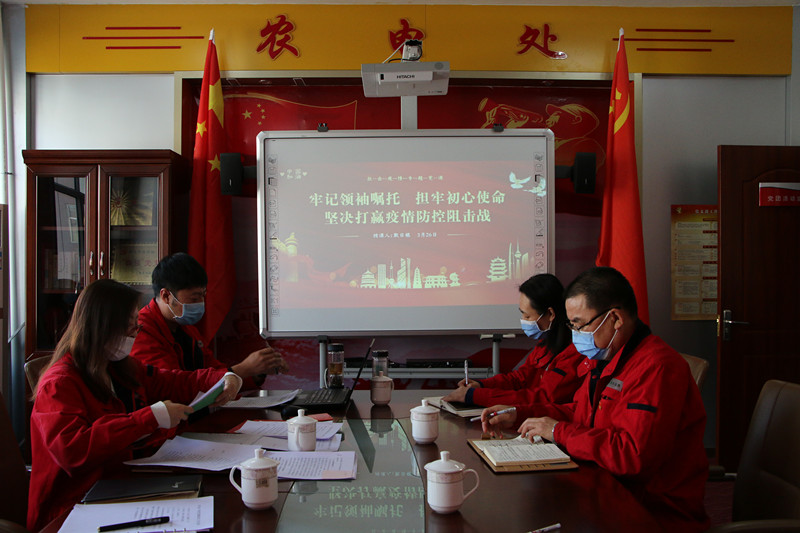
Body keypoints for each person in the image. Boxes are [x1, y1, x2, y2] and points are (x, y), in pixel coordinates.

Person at [481, 267, 709, 532]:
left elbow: (632, 455)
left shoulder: (657, 367)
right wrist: (519, 414)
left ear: (615, 318)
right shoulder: (607, 357)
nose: (575, 334)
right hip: (606, 492)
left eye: (580, 325)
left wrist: (557, 431)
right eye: (571, 325)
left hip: (649, 513)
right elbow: (581, 412)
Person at [27, 279, 242, 531]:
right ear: (102, 327)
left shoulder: (117, 367)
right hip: (71, 509)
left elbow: (172, 381)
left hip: (119, 486)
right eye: (129, 327)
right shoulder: (59, 383)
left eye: (136, 326)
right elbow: (72, 451)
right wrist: (149, 417)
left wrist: (224, 376)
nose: (135, 334)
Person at [130, 253, 289, 388]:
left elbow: (213, 370)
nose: (201, 303)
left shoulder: (186, 328)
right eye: (194, 298)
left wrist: (256, 371)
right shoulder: (141, 331)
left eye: (203, 296)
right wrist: (242, 370)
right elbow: (173, 386)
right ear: (166, 296)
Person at [442, 273, 583, 407]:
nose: (523, 321)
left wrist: (475, 396)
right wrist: (481, 385)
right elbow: (520, 379)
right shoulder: (545, 344)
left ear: (550, 314)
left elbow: (542, 398)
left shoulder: (575, 351)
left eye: (527, 316)